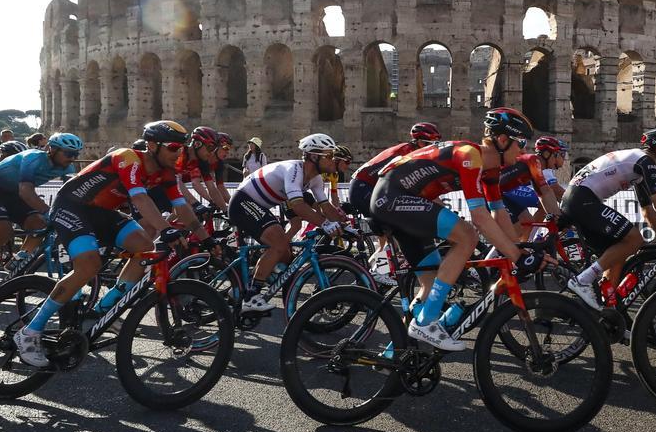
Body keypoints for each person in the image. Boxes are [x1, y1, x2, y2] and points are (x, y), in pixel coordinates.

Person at [11, 121, 211, 367]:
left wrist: (207, 240)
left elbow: (183, 207)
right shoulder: (128, 158)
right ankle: (29, 332)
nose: (178, 153)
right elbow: (139, 197)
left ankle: (105, 308)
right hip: (72, 206)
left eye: (181, 148)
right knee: (88, 266)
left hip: (103, 212)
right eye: (172, 147)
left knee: (147, 249)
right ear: (151, 145)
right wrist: (166, 229)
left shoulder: (168, 172)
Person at [370, 108, 542, 350]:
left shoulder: (490, 170)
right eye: (521, 142)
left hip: (402, 200)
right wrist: (515, 256)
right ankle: (427, 322)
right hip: (391, 196)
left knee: (430, 285)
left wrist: (520, 248)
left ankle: (396, 352)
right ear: (503, 140)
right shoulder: (470, 154)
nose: (524, 150)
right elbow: (480, 218)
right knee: (467, 235)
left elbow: (498, 211)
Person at [560, 128, 656, 311]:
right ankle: (583, 280)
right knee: (634, 239)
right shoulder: (645, 161)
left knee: (618, 251)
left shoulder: (639, 166)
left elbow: (648, 211)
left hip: (579, 199)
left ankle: (605, 310)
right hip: (583, 200)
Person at [0, 133, 84, 302]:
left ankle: (19, 260)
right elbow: (26, 191)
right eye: (68, 153)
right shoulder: (33, 158)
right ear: (52, 149)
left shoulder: (68, 168)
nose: (72, 158)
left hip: (12, 195)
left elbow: (72, 195)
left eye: (76, 154)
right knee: (3, 233)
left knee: (38, 224)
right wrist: (51, 212)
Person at [228, 133, 348, 313]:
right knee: (279, 242)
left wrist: (345, 225)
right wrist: (325, 224)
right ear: (313, 156)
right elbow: (298, 206)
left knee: (286, 255)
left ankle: (254, 279)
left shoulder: (315, 179)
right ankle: (250, 297)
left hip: (258, 206)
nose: (333, 160)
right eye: (329, 156)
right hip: (243, 201)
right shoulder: (294, 170)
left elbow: (325, 207)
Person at [346, 122, 442, 227]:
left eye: (436, 144)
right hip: (362, 188)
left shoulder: (411, 151)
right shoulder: (407, 155)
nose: (434, 148)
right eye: (431, 143)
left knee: (388, 228)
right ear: (420, 142)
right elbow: (421, 188)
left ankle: (386, 243)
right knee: (397, 224)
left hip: (364, 185)